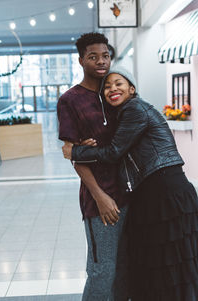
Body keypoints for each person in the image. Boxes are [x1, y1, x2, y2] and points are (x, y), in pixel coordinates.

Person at [62, 66, 198, 301]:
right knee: (167, 262)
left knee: (171, 261)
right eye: (107, 86)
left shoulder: (135, 108)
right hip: (158, 191)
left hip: (165, 191)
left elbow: (114, 151)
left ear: (132, 88)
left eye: (118, 83)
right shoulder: (124, 113)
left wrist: (75, 151)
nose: (112, 88)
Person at [57, 33, 129, 301]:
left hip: (130, 193)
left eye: (106, 55)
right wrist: (100, 197)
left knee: (124, 268)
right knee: (102, 270)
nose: (101, 61)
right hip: (100, 199)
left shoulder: (116, 94)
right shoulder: (70, 100)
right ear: (81, 60)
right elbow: (75, 156)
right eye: (93, 56)